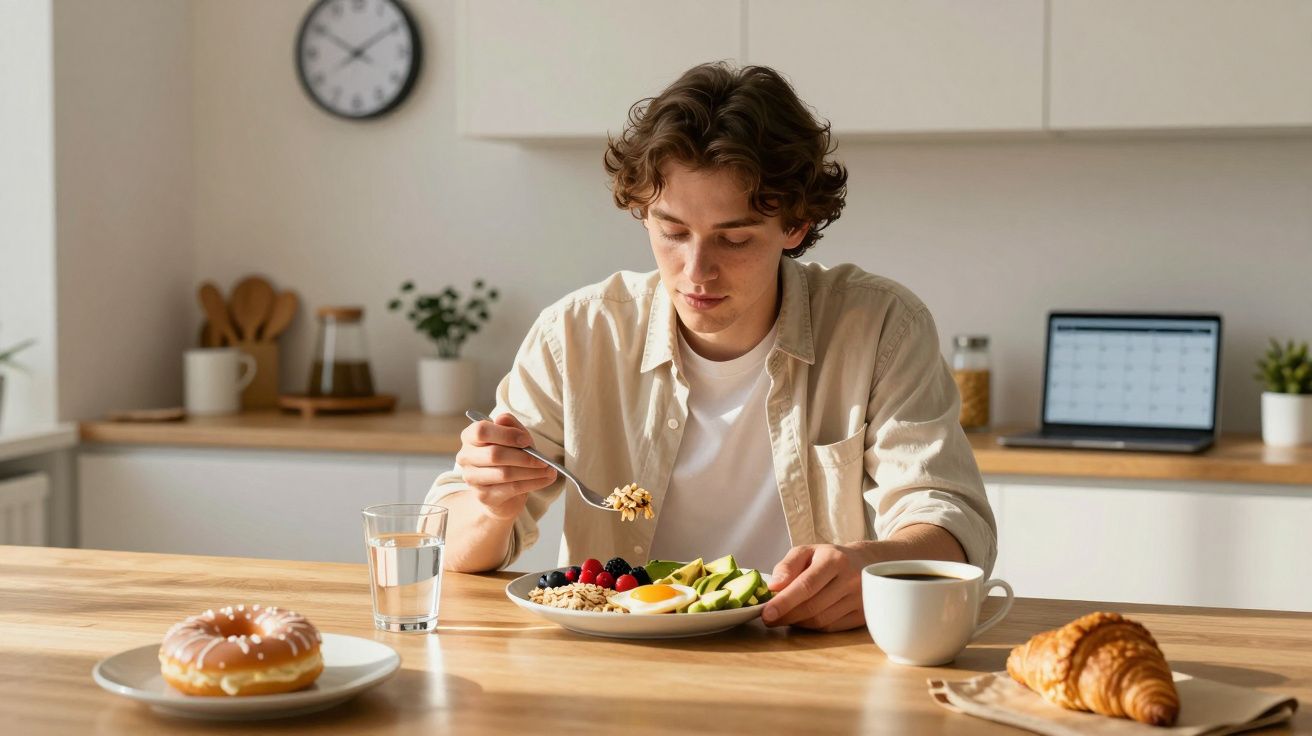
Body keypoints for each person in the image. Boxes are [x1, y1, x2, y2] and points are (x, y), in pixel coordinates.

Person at [426, 62, 996, 632]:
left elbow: (950, 518)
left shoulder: (878, 326)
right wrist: (490, 503)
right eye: (672, 232)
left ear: (795, 225)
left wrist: (873, 563)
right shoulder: (578, 333)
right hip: (616, 663)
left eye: (735, 238)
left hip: (808, 653)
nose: (697, 271)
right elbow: (447, 543)